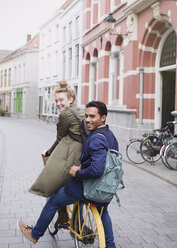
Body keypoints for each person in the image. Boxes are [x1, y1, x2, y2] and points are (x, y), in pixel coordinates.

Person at [17, 101, 118, 248]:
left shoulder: (96, 139)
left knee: (53, 202)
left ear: (103, 118)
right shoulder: (110, 135)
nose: (88, 120)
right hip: (105, 188)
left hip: (86, 187)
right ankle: (110, 245)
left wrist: (78, 172)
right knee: (103, 212)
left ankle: (34, 235)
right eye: (86, 116)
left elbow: (97, 169)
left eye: (92, 116)